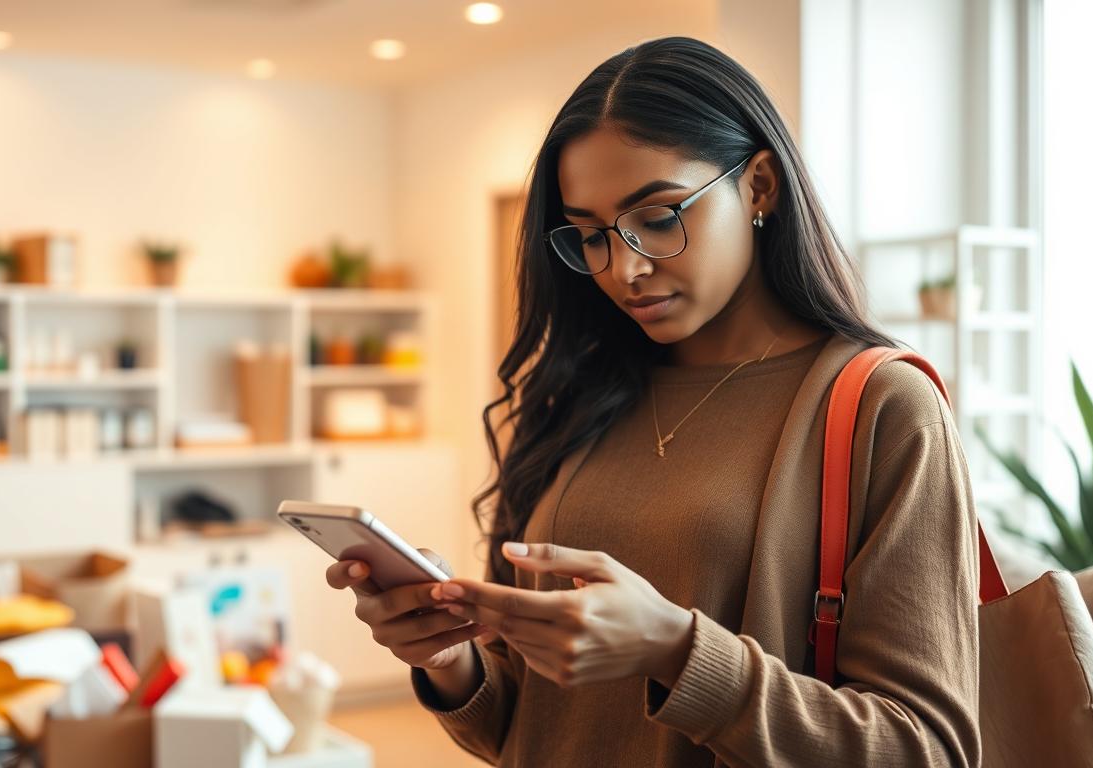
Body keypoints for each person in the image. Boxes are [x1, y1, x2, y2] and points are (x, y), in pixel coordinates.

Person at [326, 36, 981, 767]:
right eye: (590, 236)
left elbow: (926, 749)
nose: (625, 268)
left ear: (760, 186)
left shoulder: (882, 406)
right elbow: (530, 726)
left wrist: (673, 648)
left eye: (660, 217)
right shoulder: (576, 397)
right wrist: (451, 660)